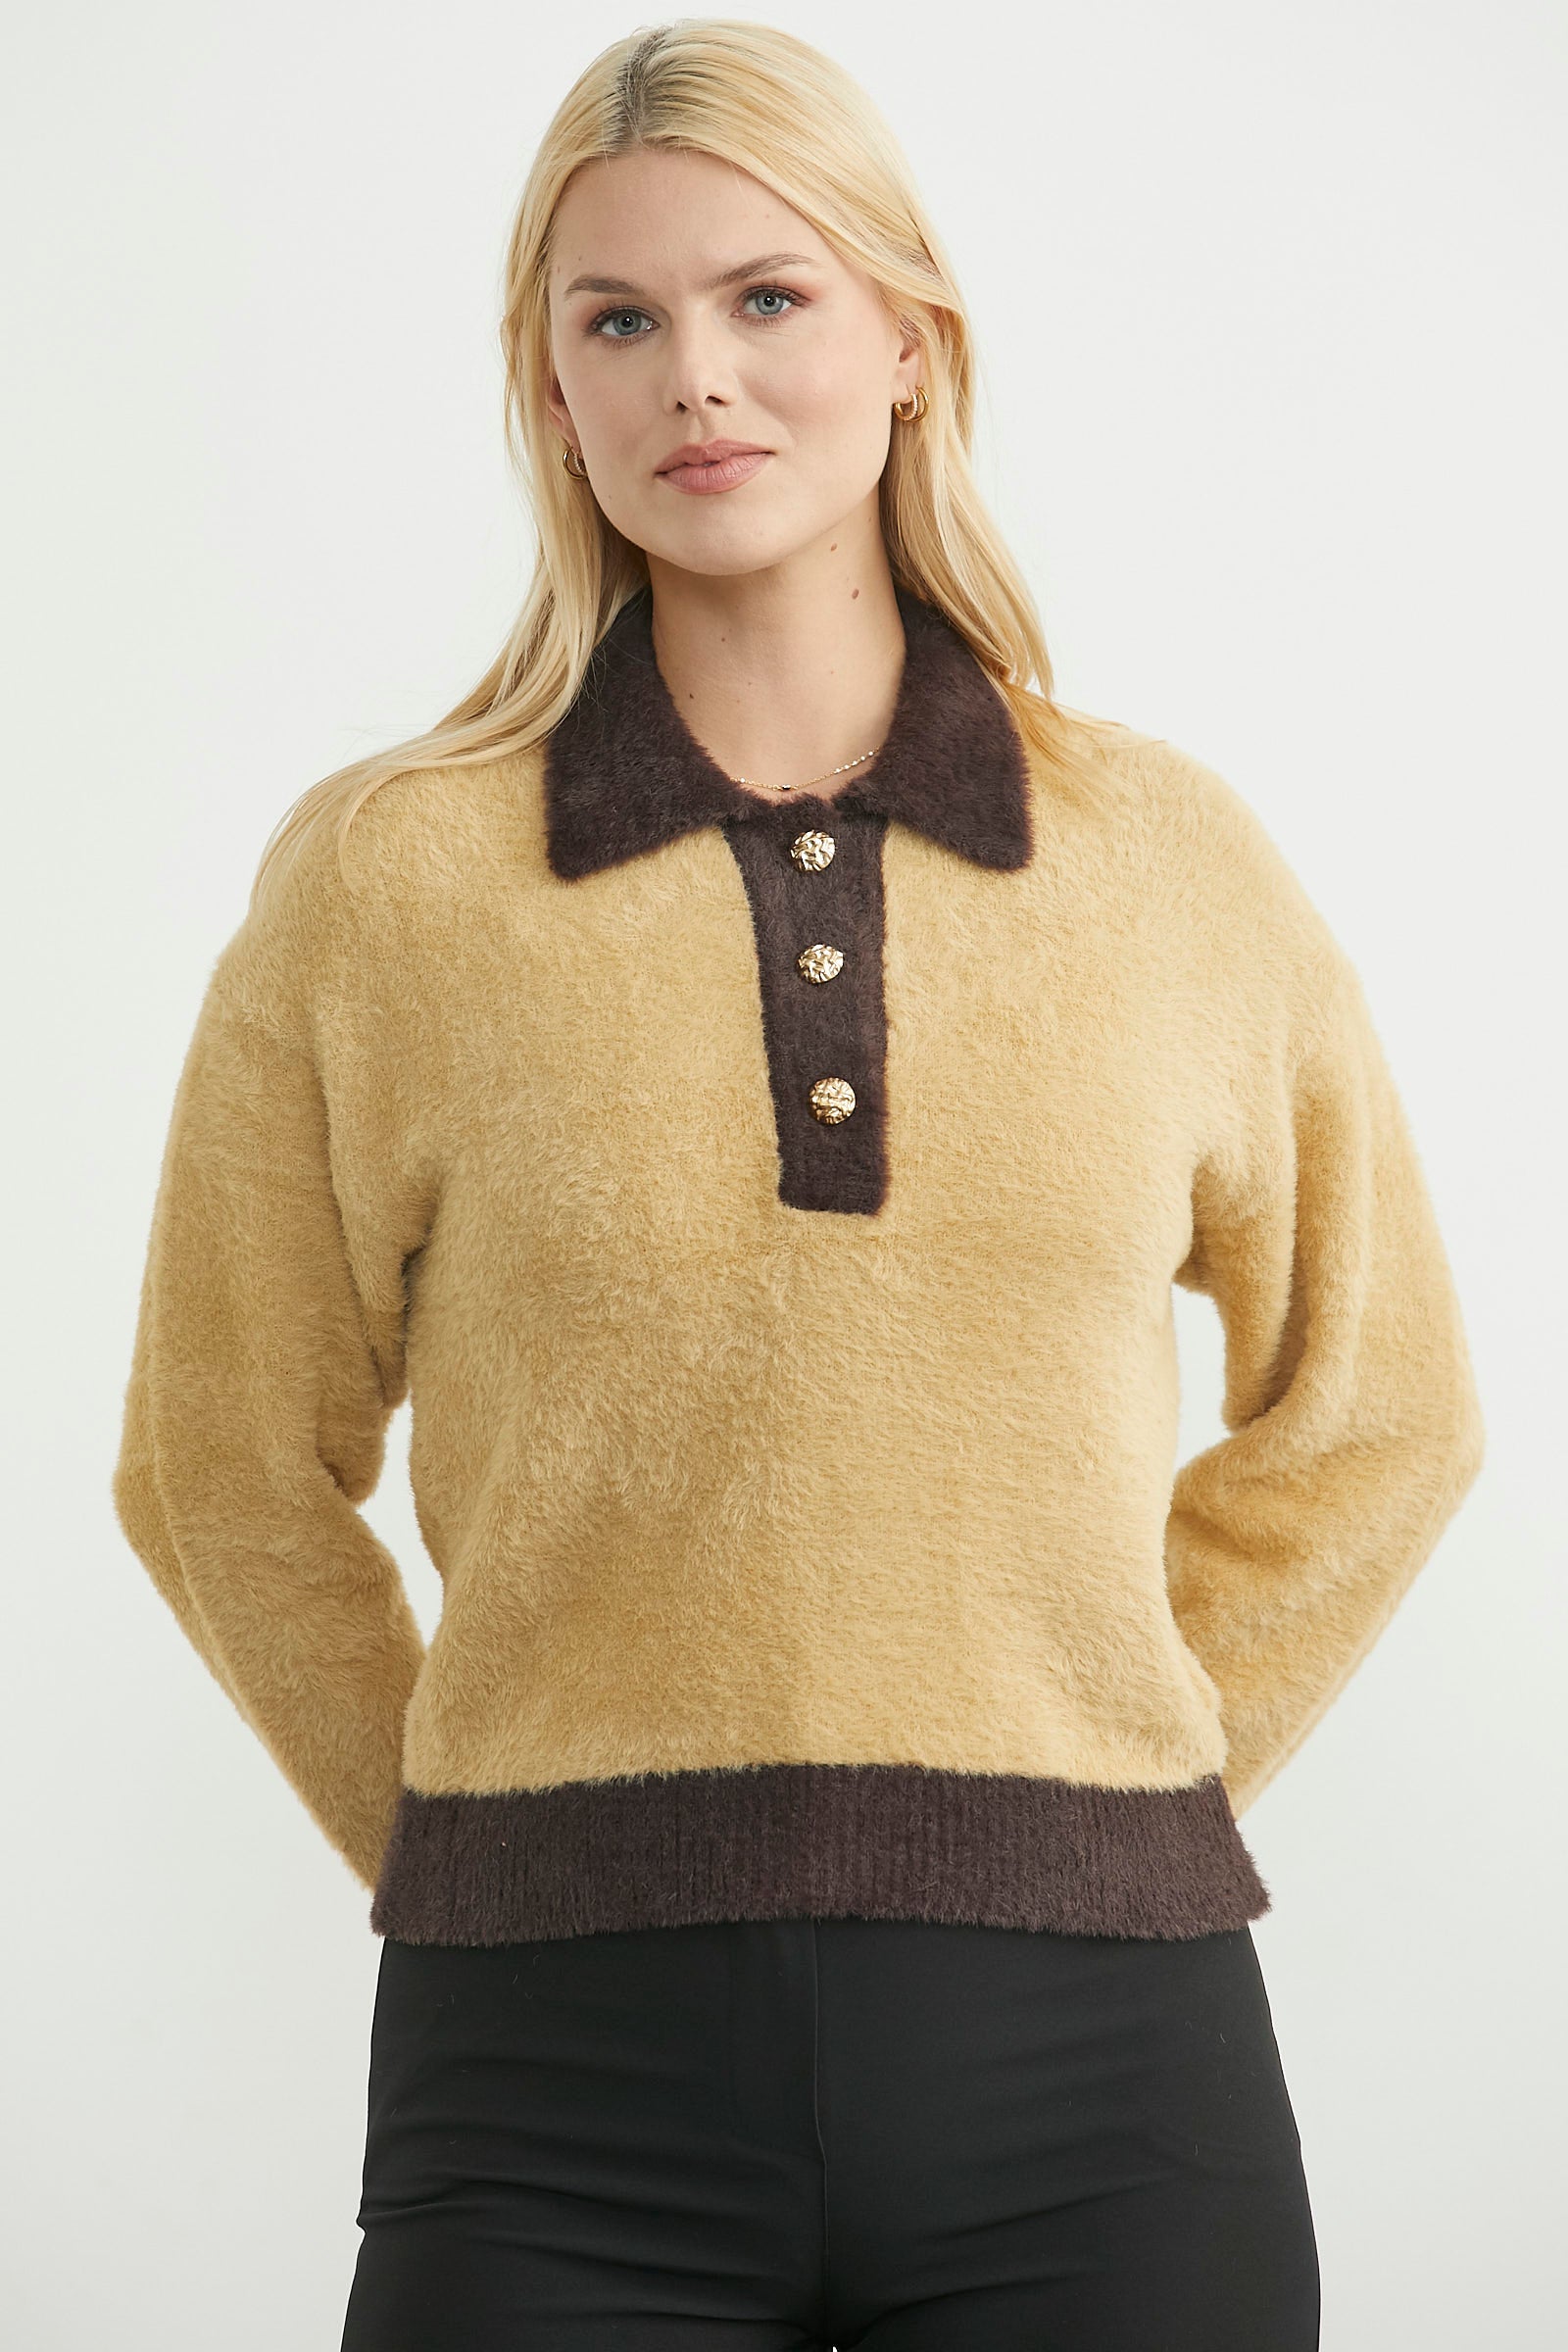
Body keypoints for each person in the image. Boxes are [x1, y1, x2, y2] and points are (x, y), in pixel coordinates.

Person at [111, 21, 1484, 2351]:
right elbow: (216, 1467)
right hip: (547, 2089)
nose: (696, 379)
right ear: (550, 388)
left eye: (768, 298)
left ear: (909, 343)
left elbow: (1381, 1414)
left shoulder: (1164, 862)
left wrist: (1104, 1781)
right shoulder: (387, 884)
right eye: (616, 319)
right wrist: (472, 1837)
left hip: (1102, 2089)